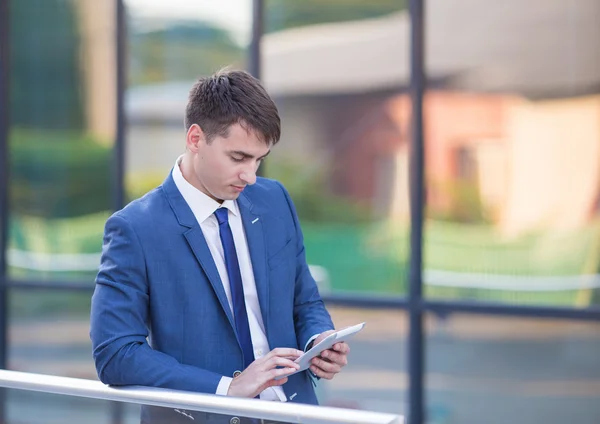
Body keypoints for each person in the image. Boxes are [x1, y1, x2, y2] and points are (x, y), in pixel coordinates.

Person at [90, 69, 350, 424]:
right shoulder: (135, 228)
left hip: (293, 413)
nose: (251, 175)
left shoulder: (274, 201)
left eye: (259, 159)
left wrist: (317, 341)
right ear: (195, 139)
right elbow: (116, 353)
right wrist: (227, 388)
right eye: (239, 157)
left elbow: (303, 300)